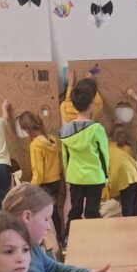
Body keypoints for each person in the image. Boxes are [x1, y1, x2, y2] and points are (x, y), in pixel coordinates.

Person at [2, 184, 133, 272]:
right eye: (46, 219)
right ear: (27, 217)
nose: (49, 227)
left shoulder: (29, 244)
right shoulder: (19, 261)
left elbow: (54, 269)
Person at [60, 81, 109, 233]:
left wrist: (69, 172)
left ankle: (69, 239)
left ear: (74, 105)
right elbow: (104, 154)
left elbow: (65, 157)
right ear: (91, 104)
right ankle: (94, 240)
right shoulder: (97, 128)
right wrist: (106, 175)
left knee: (75, 211)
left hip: (75, 176)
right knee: (92, 212)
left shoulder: (65, 129)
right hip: (95, 176)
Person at [17, 109, 64, 243]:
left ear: (27, 129)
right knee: (54, 212)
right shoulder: (52, 139)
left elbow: (38, 172)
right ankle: (59, 240)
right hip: (56, 181)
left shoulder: (36, 145)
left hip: (44, 184)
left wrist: (30, 188)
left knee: (42, 215)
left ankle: (48, 242)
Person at [105, 122, 137, 217]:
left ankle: (129, 227)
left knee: (127, 212)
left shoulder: (107, 146)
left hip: (126, 180)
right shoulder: (127, 148)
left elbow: (111, 169)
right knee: (135, 210)